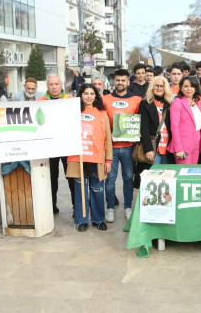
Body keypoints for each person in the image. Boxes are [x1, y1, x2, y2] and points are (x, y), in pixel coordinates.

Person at [66, 84, 112, 232]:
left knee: (97, 189)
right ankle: (81, 220)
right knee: (80, 190)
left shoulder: (102, 113)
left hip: (96, 158)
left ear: (96, 96)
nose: (89, 96)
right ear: (81, 95)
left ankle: (99, 219)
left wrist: (108, 160)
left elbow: (108, 139)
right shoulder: (73, 112)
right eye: (86, 93)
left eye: (92, 93)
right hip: (78, 158)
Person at [102, 69, 142, 222]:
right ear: (114, 81)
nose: (120, 83)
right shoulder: (105, 99)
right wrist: (108, 134)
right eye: (117, 80)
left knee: (128, 178)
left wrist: (137, 132)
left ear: (128, 82)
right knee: (110, 179)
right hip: (111, 147)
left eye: (123, 80)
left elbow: (140, 121)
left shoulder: (137, 99)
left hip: (129, 146)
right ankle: (110, 208)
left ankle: (127, 207)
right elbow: (101, 121)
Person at [38, 74, 75, 214]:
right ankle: (51, 206)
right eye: (51, 84)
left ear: (61, 85)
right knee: (51, 178)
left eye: (56, 84)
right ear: (47, 86)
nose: (54, 87)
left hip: (68, 146)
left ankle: (75, 206)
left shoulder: (70, 100)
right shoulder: (40, 101)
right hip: (49, 147)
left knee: (71, 176)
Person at [167, 77, 201, 164]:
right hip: (183, 144)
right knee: (184, 173)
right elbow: (174, 127)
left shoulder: (197, 102)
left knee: (192, 173)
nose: (189, 89)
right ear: (181, 87)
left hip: (196, 143)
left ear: (196, 88)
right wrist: (178, 149)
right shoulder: (177, 102)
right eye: (186, 86)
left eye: (192, 86)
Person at [139, 76, 173, 165]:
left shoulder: (169, 104)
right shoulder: (145, 103)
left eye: (162, 86)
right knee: (153, 176)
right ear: (152, 87)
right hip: (153, 147)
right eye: (156, 85)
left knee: (166, 176)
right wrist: (148, 149)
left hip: (167, 147)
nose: (159, 88)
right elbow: (144, 128)